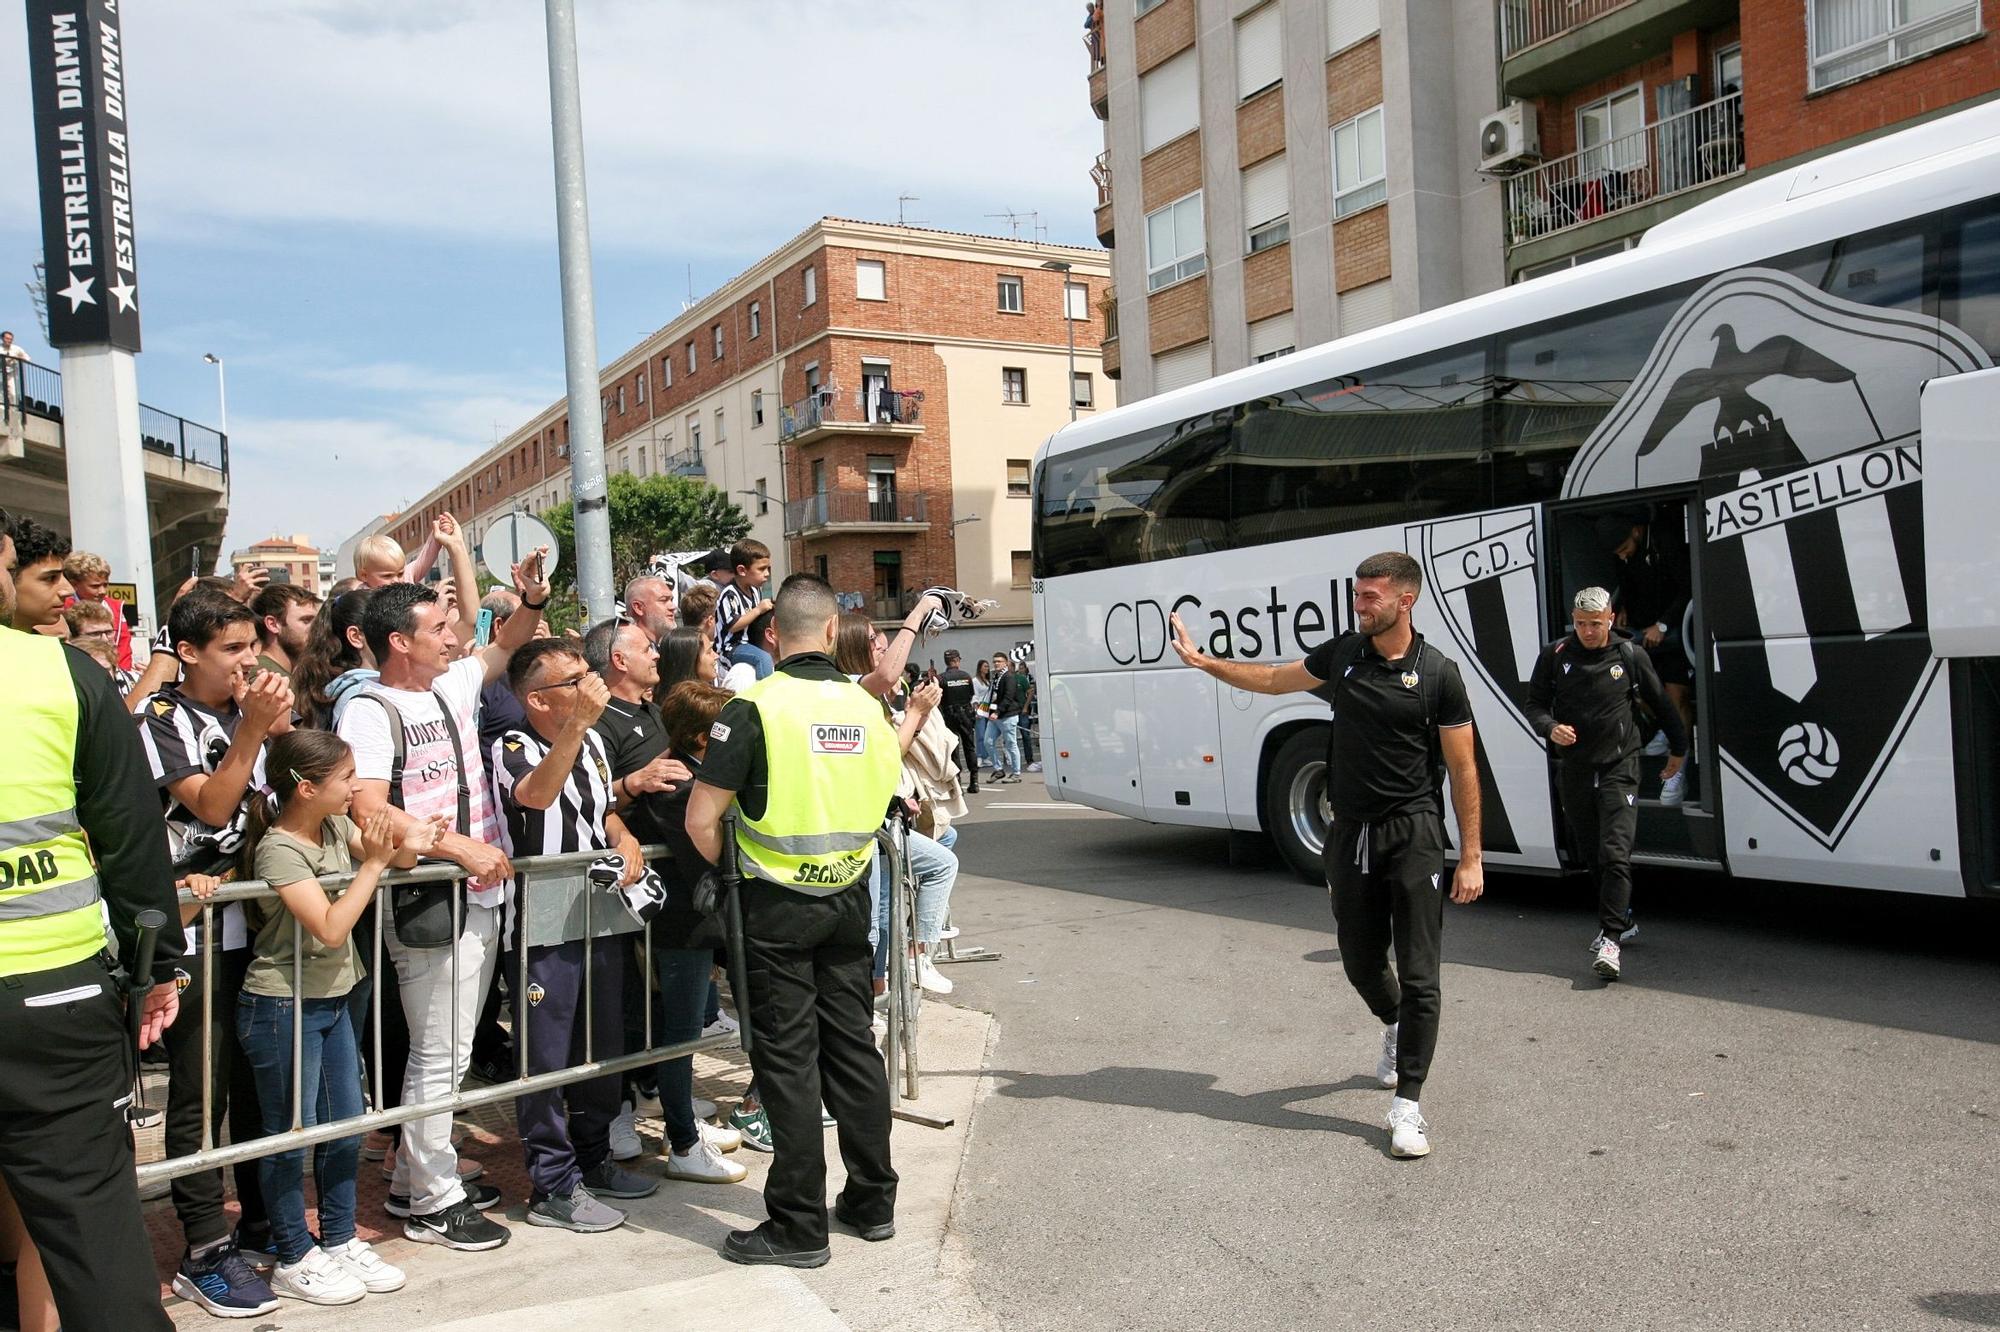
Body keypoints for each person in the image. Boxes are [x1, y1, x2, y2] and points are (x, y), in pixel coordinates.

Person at [1168, 551, 1485, 1160]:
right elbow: (1272, 678)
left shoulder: (1438, 673)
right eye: (1358, 595)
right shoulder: (1344, 655)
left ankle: (1408, 1106)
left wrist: (1470, 855)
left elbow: (1464, 768)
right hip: (1351, 833)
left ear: (1405, 601)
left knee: (1422, 973)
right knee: (1360, 959)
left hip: (1414, 832)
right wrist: (1205, 662)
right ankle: (1393, 1023)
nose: (1359, 606)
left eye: (1371, 597)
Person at [0, 504, 188, 1331]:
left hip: (54, 997)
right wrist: (156, 971)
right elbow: (132, 837)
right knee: (91, 1226)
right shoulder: (57, 675)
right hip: (52, 997)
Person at [686, 573, 903, 1267]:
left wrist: (738, 867)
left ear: (772, 633)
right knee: (853, 1052)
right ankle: (872, 1202)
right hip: (848, 897)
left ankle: (798, 1226)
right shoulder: (868, 706)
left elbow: (700, 820)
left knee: (788, 1065)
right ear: (836, 632)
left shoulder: (753, 706)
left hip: (774, 904)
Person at [337, 552, 549, 1251]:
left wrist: (533, 598)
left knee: (445, 1052)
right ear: (400, 641)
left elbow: (510, 640)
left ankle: (412, 1185)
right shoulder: (370, 709)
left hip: (477, 891)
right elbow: (366, 808)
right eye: (439, 626)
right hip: (429, 897)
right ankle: (433, 1197)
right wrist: (454, 848)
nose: (454, 635)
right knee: (439, 1054)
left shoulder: (450, 685)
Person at [238, 730, 434, 1305]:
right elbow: (328, 926)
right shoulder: (279, 847)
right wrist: (373, 862)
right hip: (282, 1003)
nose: (356, 787)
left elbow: (402, 856)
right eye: (345, 778)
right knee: (291, 1136)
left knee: (346, 1124)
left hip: (338, 995)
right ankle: (294, 1253)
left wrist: (403, 839)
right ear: (306, 788)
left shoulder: (332, 826)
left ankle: (341, 1239)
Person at [138, 590, 289, 1314]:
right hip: (188, 929)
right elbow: (211, 805)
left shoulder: (248, 714)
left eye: (251, 647)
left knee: (255, 1083)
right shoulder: (161, 717)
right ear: (190, 653)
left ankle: (261, 1222)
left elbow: (265, 813)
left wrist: (271, 728)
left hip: (247, 921)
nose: (247, 662)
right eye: (231, 650)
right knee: (200, 1090)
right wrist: (254, 732)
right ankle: (202, 1244)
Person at [491, 639, 662, 1232]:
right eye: (574, 680)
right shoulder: (511, 745)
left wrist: (622, 831)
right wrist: (580, 724)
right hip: (541, 921)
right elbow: (536, 797)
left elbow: (595, 809)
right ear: (537, 699)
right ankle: (552, 1184)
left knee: (604, 1046)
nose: (589, 685)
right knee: (545, 1055)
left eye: (590, 674)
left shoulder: (590, 742)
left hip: (599, 909)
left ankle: (593, 1160)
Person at [1523, 588, 1687, 982]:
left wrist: (1679, 749)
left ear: (1610, 619)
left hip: (1620, 765)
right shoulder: (1556, 655)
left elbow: (1661, 703)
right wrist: (1551, 728)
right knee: (1591, 851)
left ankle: (1610, 938)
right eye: (1581, 624)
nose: (1588, 631)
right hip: (1576, 767)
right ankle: (1622, 917)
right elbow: (1534, 704)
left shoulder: (1629, 655)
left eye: (1595, 624)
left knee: (1616, 851)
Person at [649, 680, 751, 1183]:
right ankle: (684, 1143)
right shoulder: (679, 786)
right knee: (680, 1035)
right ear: (700, 737)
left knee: (682, 1032)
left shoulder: (690, 773)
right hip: (681, 927)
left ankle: (682, 1127)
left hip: (695, 924)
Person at [834, 615, 961, 998]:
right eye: (875, 642)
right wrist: (920, 611)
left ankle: (908, 959)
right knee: (873, 919)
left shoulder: (869, 696)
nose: (883, 650)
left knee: (937, 858)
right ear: (855, 646)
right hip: (862, 824)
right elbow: (888, 754)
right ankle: (874, 992)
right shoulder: (854, 692)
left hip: (881, 815)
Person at [714, 539, 776, 680]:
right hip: (731, 648)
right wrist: (758, 610)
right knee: (764, 659)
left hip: (749, 643)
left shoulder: (755, 591)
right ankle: (763, 694)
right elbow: (733, 626)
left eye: (768, 569)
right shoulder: (729, 594)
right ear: (742, 570)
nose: (767, 574)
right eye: (761, 569)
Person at [62, 549, 133, 670]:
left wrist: (121, 674)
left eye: (105, 584)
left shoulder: (115, 608)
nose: (102, 591)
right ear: (74, 584)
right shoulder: (63, 609)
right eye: (95, 586)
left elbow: (124, 647)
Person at [6, 519, 70, 636]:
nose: (69, 590)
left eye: (64, 576)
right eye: (50, 578)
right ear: (8, 577)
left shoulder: (58, 652)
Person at [252, 583, 319, 682]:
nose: (316, 628)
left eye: (316, 621)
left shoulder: (290, 675)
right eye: (306, 620)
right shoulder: (263, 679)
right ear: (273, 625)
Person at [937, 649, 980, 795]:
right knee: (970, 747)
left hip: (949, 715)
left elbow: (939, 699)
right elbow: (970, 695)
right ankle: (974, 781)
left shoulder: (941, 678)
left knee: (953, 749)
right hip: (966, 714)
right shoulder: (966, 676)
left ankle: (958, 783)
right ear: (957, 660)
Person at [989, 652, 1027, 784]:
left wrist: (998, 712)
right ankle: (998, 769)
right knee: (988, 742)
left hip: (1007, 715)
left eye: (999, 661)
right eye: (994, 661)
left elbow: (1009, 696)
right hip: (995, 716)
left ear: (1006, 663)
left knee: (1011, 744)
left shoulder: (1009, 676)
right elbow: (993, 696)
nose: (996, 663)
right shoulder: (996, 677)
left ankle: (1016, 773)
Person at [622, 574, 676, 644]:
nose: (673, 607)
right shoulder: (628, 650)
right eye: (663, 600)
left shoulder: (660, 648)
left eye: (671, 600)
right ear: (638, 608)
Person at [0, 330, 28, 424]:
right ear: (2, 339)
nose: (9, 341)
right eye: (7, 338)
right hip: (0, 372)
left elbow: (27, 358)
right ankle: (2, 410)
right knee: (1, 392)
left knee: (12, 393)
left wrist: (17, 359)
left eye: (10, 339)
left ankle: (13, 410)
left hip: (11, 373)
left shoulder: (16, 349)